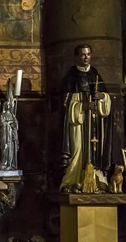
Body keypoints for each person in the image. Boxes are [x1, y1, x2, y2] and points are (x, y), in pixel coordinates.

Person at [60, 44, 112, 193]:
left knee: (96, 150)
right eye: (83, 55)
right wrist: (82, 106)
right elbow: (65, 101)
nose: (86, 57)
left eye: (88, 54)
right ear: (77, 56)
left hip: (95, 121)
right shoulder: (71, 76)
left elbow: (106, 98)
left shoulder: (95, 73)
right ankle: (74, 179)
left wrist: (102, 97)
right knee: (77, 150)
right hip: (79, 123)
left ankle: (96, 180)